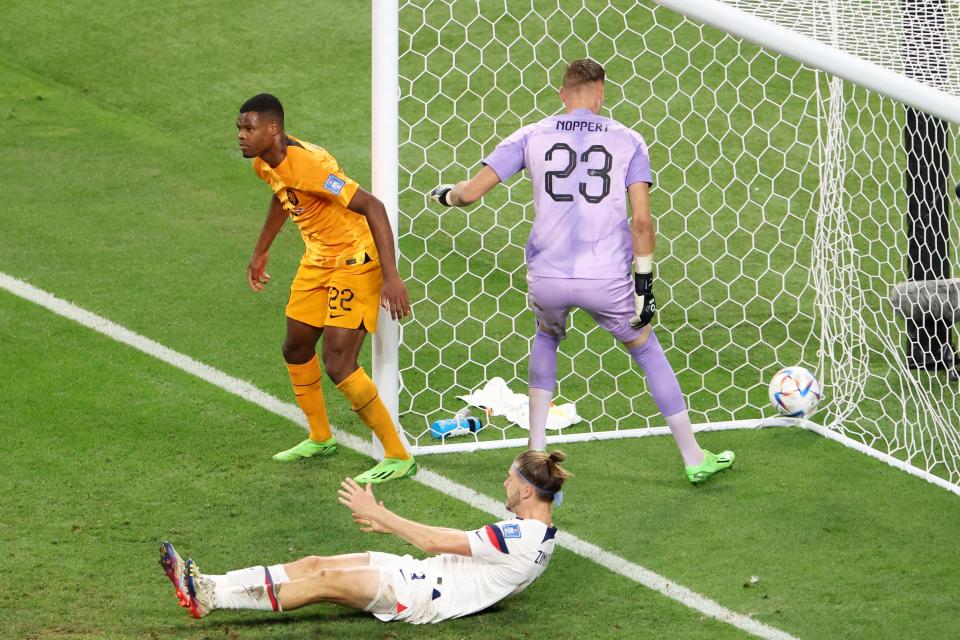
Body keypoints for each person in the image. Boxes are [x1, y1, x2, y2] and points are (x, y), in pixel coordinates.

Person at [428, 60, 735, 485]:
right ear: (601, 93)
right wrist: (644, 284)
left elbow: (472, 192)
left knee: (546, 336)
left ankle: (535, 454)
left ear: (562, 94)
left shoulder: (531, 134)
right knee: (646, 350)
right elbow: (641, 222)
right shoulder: (629, 140)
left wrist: (447, 197)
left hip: (547, 276)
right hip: (606, 278)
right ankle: (694, 456)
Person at [159, 450, 570, 624]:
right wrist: (386, 524)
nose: (504, 484)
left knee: (323, 583)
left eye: (509, 479)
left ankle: (213, 599)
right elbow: (456, 540)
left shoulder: (521, 535)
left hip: (423, 597)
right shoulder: (537, 534)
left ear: (527, 491)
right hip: (420, 573)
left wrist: (381, 514)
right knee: (314, 564)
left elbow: (434, 541)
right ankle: (209, 584)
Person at [236, 93, 414, 483]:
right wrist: (261, 251)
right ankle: (320, 436)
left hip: (355, 258)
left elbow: (373, 207)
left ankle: (398, 454)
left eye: (249, 128)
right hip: (318, 258)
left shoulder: (311, 165)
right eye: (239, 128)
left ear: (273, 129)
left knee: (338, 363)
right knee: (296, 345)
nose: (241, 136)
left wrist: (392, 276)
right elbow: (284, 198)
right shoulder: (266, 164)